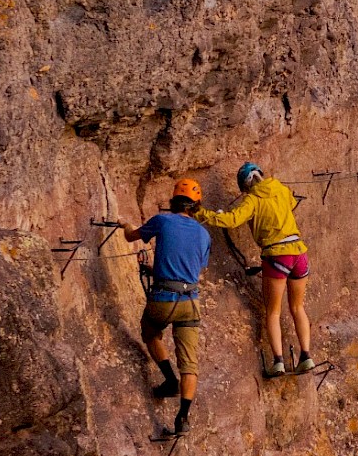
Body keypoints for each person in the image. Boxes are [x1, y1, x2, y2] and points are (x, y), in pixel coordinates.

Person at [197, 163, 319, 377]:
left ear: (244, 187)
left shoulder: (251, 200)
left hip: (277, 254)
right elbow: (291, 202)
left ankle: (278, 361)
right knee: (298, 307)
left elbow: (232, 220)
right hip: (299, 252)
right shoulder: (280, 188)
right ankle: (306, 356)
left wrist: (202, 214)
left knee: (273, 311)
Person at [123, 178, 210, 439]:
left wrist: (124, 224)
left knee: (150, 332)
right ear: (196, 206)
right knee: (190, 364)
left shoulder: (162, 221)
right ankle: (183, 416)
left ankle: (169, 380)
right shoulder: (204, 234)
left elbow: (131, 236)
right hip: (190, 302)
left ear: (173, 202)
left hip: (163, 300)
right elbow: (191, 268)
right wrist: (156, 270)